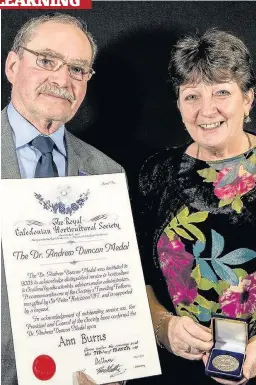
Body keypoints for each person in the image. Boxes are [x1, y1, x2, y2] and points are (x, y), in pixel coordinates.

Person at [1, 13, 124, 385]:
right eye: (46, 61)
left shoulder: (108, 173)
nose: (61, 80)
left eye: (77, 69)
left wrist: (111, 366)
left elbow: (111, 294)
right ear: (12, 64)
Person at [133, 29, 256, 385]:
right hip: (173, 373)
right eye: (192, 96)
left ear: (248, 99)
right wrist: (163, 328)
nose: (207, 110)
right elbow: (134, 275)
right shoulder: (156, 173)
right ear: (178, 103)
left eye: (222, 91)